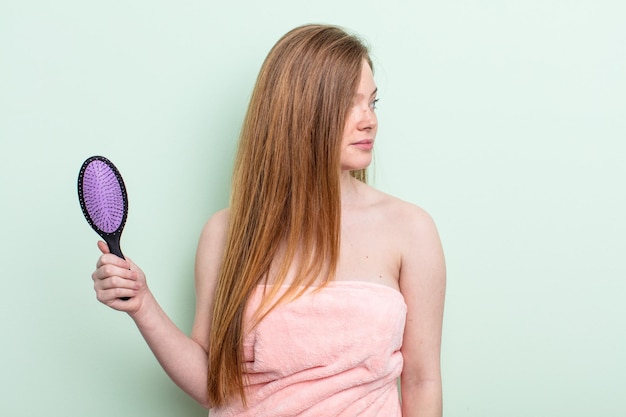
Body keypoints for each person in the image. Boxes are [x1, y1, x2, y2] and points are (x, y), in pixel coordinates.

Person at [91, 24, 446, 416]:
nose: (369, 121)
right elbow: (214, 385)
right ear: (300, 111)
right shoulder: (226, 234)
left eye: (373, 103)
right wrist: (142, 304)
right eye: (349, 103)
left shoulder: (411, 230)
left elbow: (421, 380)